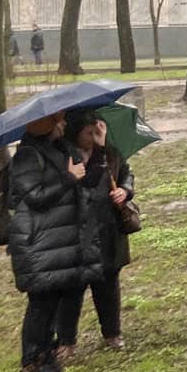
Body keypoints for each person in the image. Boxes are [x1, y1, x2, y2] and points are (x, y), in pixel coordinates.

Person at [8, 112, 102, 372]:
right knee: (41, 304)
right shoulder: (27, 156)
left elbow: (90, 180)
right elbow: (35, 197)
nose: (63, 124)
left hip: (61, 240)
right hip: (39, 242)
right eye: (57, 121)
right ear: (44, 126)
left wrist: (98, 148)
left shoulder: (63, 149)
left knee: (55, 301)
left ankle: (47, 356)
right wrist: (68, 179)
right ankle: (31, 365)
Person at [60, 110, 135, 355]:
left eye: (97, 132)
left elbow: (126, 173)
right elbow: (84, 183)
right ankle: (67, 340)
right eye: (88, 133)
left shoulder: (111, 153)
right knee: (72, 288)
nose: (93, 137)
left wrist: (125, 190)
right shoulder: (65, 155)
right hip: (76, 230)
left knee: (108, 284)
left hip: (107, 228)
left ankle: (112, 333)